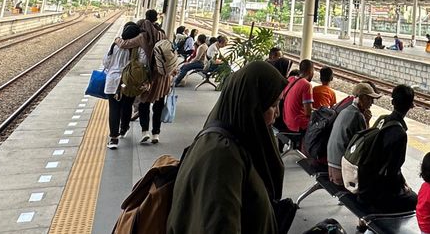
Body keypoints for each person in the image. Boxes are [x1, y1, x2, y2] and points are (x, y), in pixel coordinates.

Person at [168, 61, 292, 234]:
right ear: (251, 105)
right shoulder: (222, 158)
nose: (277, 113)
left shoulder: (232, 145)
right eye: (273, 105)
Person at [355, 84, 418, 214]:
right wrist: (403, 187)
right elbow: (392, 171)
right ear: (411, 105)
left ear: (392, 102)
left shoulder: (382, 120)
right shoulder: (400, 134)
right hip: (377, 195)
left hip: (363, 185)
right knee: (416, 199)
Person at [117, 15, 177, 144]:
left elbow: (124, 43)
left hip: (151, 78)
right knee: (159, 105)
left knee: (144, 103)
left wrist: (117, 39)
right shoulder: (163, 35)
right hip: (164, 77)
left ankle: (145, 132)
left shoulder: (142, 37)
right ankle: (156, 134)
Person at [327, 82, 381, 186]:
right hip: (341, 172)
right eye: (369, 99)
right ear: (362, 98)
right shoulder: (357, 115)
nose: (372, 103)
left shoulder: (345, 111)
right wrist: (367, 122)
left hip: (331, 167)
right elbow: (364, 144)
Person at [102, 22, 141, 149]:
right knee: (127, 105)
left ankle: (114, 138)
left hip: (112, 81)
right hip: (127, 82)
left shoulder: (115, 45)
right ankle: (123, 128)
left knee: (114, 108)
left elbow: (106, 62)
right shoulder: (136, 49)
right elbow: (142, 64)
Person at [283, 58, 316, 132]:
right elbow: (308, 113)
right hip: (298, 125)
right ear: (310, 71)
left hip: (287, 121)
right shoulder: (306, 85)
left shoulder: (290, 79)